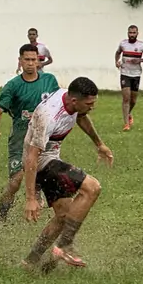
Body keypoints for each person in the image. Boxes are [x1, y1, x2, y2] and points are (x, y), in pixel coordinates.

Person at [20, 77, 114, 271]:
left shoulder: (72, 101)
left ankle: (29, 262)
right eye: (89, 104)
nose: (92, 108)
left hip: (50, 159)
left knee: (64, 215)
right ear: (74, 101)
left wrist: (99, 144)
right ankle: (65, 246)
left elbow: (80, 116)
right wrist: (30, 197)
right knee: (92, 188)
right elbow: (31, 157)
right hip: (40, 163)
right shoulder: (48, 116)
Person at [0, 44, 60, 221]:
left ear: (38, 62)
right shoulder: (13, 86)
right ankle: (2, 217)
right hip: (20, 139)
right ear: (20, 61)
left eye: (33, 60)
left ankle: (46, 205)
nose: (30, 63)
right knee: (15, 182)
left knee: (46, 173)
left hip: (43, 138)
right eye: (26, 60)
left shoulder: (49, 81)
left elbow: (58, 105)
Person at [114, 25, 143, 131]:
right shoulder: (123, 43)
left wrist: (140, 60)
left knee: (133, 100)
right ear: (127, 33)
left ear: (137, 33)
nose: (131, 35)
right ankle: (126, 124)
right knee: (126, 98)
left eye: (134, 33)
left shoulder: (142, 45)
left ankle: (129, 113)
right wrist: (117, 62)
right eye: (130, 33)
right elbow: (117, 53)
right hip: (125, 73)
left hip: (136, 74)